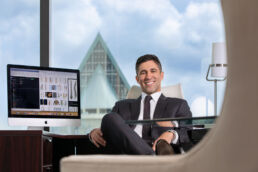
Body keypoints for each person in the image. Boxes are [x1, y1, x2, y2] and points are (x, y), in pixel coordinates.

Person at [88, 54, 192, 155]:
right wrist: (93, 133)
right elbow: (112, 130)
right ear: (137, 79)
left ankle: (148, 158)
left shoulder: (178, 105)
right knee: (109, 118)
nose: (148, 76)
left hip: (160, 153)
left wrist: (172, 134)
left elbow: (189, 133)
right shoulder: (121, 106)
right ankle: (149, 158)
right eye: (143, 72)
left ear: (161, 75)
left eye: (153, 71)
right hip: (128, 158)